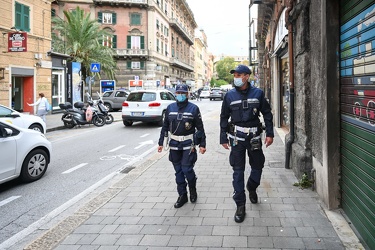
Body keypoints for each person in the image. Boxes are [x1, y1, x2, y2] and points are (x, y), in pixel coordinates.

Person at [220, 64, 274, 223]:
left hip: (254, 138)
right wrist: (223, 137)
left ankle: (252, 186)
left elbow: (267, 113)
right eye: (234, 75)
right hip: (237, 139)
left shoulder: (258, 93)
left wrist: (270, 133)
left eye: (238, 75)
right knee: (238, 171)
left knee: (258, 166)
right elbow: (224, 117)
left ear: (246, 76)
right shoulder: (229, 96)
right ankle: (240, 205)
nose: (235, 77)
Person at [158, 84, 207, 208]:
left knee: (187, 169)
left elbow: (200, 129)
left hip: (188, 144)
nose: (180, 95)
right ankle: (182, 195)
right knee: (178, 172)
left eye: (183, 93)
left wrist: (202, 144)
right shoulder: (170, 108)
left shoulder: (193, 108)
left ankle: (192, 189)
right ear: (175, 93)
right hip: (174, 144)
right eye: (178, 92)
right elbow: (165, 127)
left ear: (187, 94)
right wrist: (160, 143)